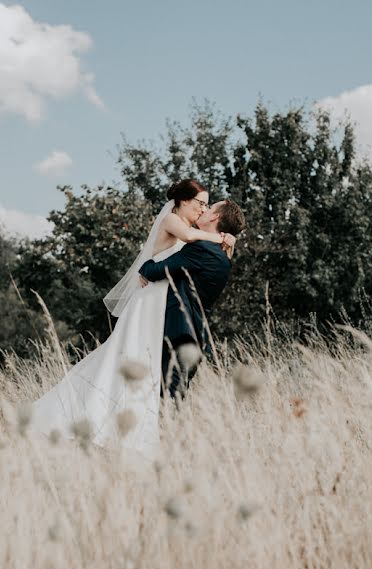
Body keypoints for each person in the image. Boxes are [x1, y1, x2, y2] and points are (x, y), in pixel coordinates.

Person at [30, 179, 235, 459]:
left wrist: (222, 239)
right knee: (128, 355)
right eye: (201, 203)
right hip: (150, 299)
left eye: (206, 205)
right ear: (184, 201)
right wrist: (221, 238)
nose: (203, 208)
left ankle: (132, 432)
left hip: (160, 302)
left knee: (143, 364)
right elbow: (186, 239)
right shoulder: (173, 220)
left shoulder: (197, 241)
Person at [139, 199, 246, 401]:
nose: (203, 210)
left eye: (209, 207)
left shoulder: (203, 249)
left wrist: (144, 266)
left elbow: (154, 271)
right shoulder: (221, 253)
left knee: (166, 402)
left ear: (215, 217)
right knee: (170, 401)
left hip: (179, 333)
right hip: (194, 336)